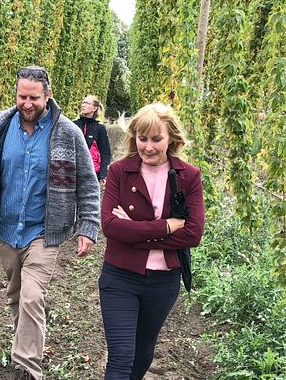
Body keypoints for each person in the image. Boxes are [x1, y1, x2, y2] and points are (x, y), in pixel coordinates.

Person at [0, 66, 101, 380]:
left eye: (33, 98)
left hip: (44, 231)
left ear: (48, 96)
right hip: (7, 228)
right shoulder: (0, 127)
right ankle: (25, 342)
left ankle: (27, 367)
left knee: (32, 296)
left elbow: (88, 182)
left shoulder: (67, 133)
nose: (27, 103)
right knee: (16, 295)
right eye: (21, 96)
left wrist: (89, 224)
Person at [99, 102, 205, 379]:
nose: (148, 147)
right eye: (142, 139)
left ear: (171, 139)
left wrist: (133, 230)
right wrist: (167, 227)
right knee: (121, 356)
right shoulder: (119, 172)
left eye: (156, 139)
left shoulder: (188, 177)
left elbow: (193, 234)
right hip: (120, 277)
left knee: (143, 352)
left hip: (163, 281)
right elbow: (110, 226)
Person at [73, 94, 112, 183]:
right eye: (83, 102)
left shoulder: (99, 128)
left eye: (87, 103)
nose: (83, 105)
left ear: (94, 108)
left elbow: (105, 152)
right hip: (75, 171)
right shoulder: (74, 125)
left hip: (93, 172)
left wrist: (103, 173)